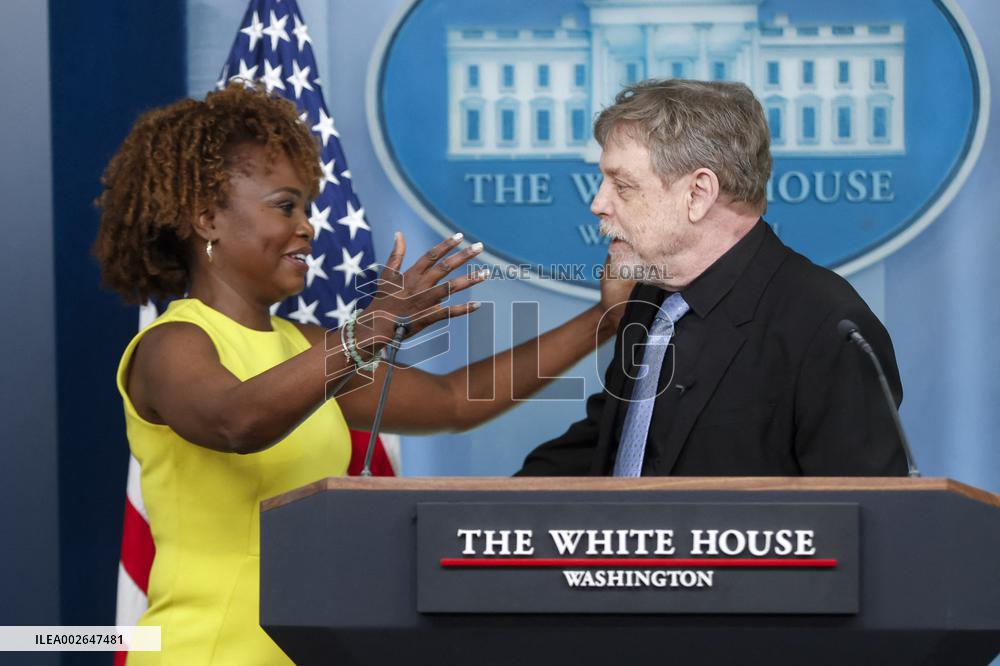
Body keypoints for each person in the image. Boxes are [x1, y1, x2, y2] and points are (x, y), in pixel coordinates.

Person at [94, 83, 630, 664]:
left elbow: (451, 400)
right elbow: (235, 422)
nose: (307, 227)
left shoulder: (303, 345)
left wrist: (602, 319)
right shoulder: (171, 345)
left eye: (306, 207)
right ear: (207, 219)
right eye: (284, 205)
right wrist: (365, 335)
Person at [517, 79, 908, 477]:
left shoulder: (826, 326)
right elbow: (617, 443)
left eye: (622, 186)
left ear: (698, 193)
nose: (599, 204)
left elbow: (859, 517)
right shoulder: (648, 300)